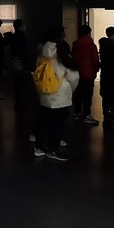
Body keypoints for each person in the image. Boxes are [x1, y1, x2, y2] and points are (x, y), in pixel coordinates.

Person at [32, 32, 79, 161]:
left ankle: (39, 148)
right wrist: (70, 91)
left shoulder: (41, 56)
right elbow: (74, 78)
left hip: (44, 95)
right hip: (61, 97)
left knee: (43, 122)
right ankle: (53, 149)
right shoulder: (64, 57)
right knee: (59, 125)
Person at [72, 24, 100, 124]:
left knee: (78, 94)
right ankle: (87, 115)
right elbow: (95, 60)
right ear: (89, 33)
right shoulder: (91, 45)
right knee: (88, 95)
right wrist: (96, 69)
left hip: (78, 73)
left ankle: (77, 113)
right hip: (89, 74)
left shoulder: (75, 44)